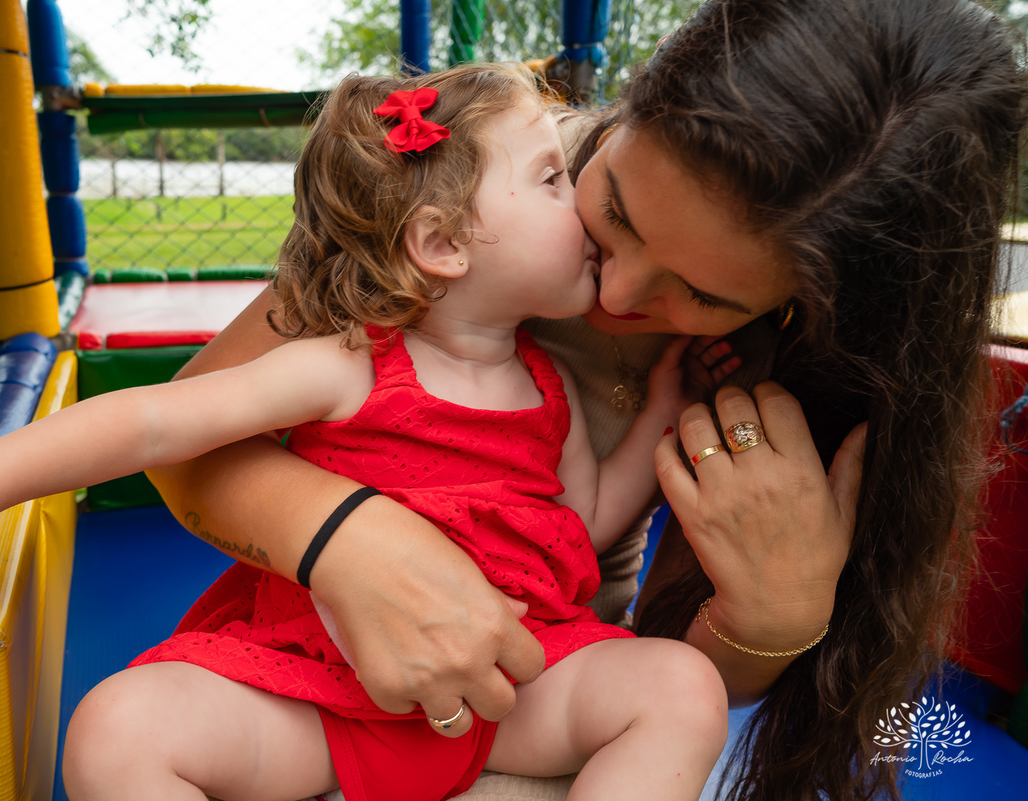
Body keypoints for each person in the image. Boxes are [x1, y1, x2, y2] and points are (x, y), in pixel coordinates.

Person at [129, 2, 1025, 801]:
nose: (618, 291)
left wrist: (771, 618)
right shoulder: (466, 176)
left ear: (801, 307)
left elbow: (678, 681)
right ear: (629, 109)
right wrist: (345, 538)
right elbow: (179, 442)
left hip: (530, 687)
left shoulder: (784, 374)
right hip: (314, 665)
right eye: (618, 211)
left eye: (701, 295)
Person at [0, 64, 736, 801]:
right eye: (549, 180)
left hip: (510, 685)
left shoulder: (547, 389)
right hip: (325, 696)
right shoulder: (350, 362)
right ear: (443, 243)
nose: (575, 206)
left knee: (681, 687)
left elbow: (580, 523)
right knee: (116, 730)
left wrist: (663, 407)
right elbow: (153, 421)